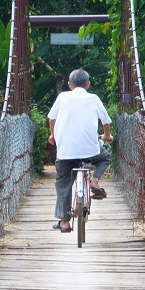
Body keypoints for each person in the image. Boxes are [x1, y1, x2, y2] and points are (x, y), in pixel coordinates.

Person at [46, 68, 112, 233]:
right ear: (88, 84)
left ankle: (64, 222)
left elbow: (52, 118)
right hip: (90, 150)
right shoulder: (93, 98)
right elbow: (106, 120)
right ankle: (95, 180)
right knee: (105, 158)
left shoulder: (62, 97)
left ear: (69, 85)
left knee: (63, 182)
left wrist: (52, 135)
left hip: (66, 152)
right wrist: (107, 135)